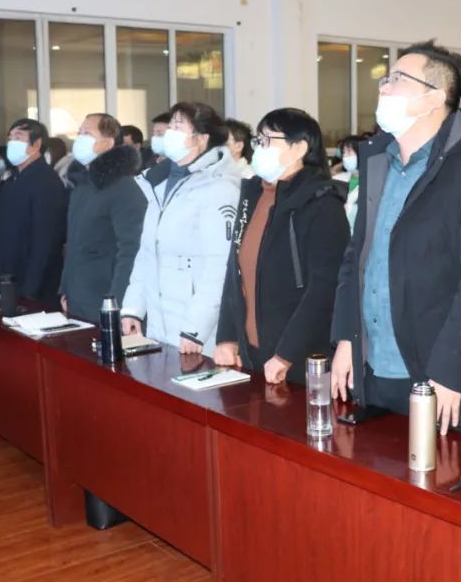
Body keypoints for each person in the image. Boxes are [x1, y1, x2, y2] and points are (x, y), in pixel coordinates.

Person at [330, 40, 461, 436]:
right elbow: (357, 257)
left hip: (440, 375)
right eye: (385, 79)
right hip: (375, 367)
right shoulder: (379, 162)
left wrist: (448, 373)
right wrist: (348, 336)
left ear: (435, 97)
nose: (384, 87)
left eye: (398, 79)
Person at [214, 108, 349, 384]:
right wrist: (227, 336)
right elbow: (235, 271)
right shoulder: (253, 194)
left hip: (299, 356)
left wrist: (286, 354)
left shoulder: (322, 204)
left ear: (299, 148)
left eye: (268, 140)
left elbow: (324, 289)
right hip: (252, 352)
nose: (259, 149)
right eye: (258, 140)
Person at [121, 102, 240, 355]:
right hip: (158, 321)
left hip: (196, 330)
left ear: (201, 139)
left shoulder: (219, 188)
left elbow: (219, 267)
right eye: (170, 126)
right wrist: (133, 308)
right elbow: (147, 253)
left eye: (177, 127)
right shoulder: (158, 183)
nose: (169, 133)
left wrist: (196, 329)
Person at [59, 113, 147, 322]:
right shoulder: (82, 185)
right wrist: (65, 289)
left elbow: (131, 250)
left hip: (104, 298)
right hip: (78, 294)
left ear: (107, 143)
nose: (79, 138)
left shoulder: (123, 187)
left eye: (87, 133)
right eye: (79, 133)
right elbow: (74, 244)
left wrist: (117, 303)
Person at [0, 118, 68, 310]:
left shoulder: (46, 181)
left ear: (36, 144)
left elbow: (46, 240)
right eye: (10, 138)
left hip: (33, 285)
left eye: (18, 137)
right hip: (8, 277)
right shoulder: (12, 180)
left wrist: (31, 289)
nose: (11, 143)